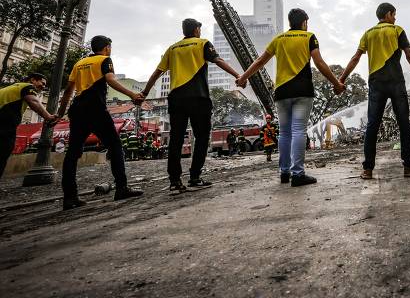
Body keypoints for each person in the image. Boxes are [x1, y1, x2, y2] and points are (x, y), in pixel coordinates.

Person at [237, 8, 344, 186]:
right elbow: (319, 62)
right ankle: (298, 174)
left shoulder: (278, 39)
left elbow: (260, 61)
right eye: (306, 22)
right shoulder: (309, 37)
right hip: (302, 91)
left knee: (285, 133)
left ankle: (284, 173)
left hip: (282, 92)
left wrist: (243, 77)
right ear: (303, 22)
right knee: (298, 131)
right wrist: (336, 83)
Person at [141, 18, 241, 192]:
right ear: (196, 30)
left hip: (177, 98)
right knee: (202, 137)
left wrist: (144, 93)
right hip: (198, 98)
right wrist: (237, 76)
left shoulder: (172, 48)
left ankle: (174, 181)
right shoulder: (202, 43)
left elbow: (157, 73)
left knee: (176, 139)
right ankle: (195, 176)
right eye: (199, 29)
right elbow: (218, 60)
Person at [57, 36, 143, 210]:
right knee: (115, 146)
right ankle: (121, 188)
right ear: (107, 48)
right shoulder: (105, 60)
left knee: (72, 153)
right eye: (110, 47)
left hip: (78, 110)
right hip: (96, 109)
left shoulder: (79, 64)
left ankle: (69, 198)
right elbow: (110, 79)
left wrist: (60, 113)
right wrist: (132, 95)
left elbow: (68, 90)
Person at [340, 2, 410, 180]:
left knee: (372, 126)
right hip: (396, 82)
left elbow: (355, 58)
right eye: (394, 15)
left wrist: (341, 79)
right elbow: (409, 55)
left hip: (376, 83)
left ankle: (368, 169)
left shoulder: (368, 34)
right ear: (387, 14)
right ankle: (408, 167)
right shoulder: (397, 30)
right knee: (404, 123)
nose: (395, 18)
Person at [0, 73, 58, 179]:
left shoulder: (13, 87)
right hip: (4, 127)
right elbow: (33, 101)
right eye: (42, 83)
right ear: (33, 80)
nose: (43, 86)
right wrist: (48, 117)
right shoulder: (28, 87)